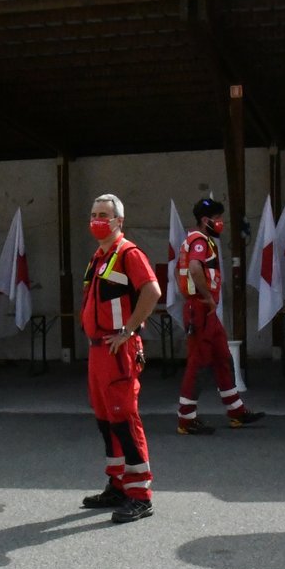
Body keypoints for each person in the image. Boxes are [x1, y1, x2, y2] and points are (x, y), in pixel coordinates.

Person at [78, 193, 162, 524]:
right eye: (94, 213)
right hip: (99, 350)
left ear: (118, 222)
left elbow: (152, 291)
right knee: (106, 421)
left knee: (124, 420)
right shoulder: (100, 257)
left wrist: (127, 331)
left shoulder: (129, 253)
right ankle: (118, 484)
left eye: (104, 214)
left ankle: (140, 495)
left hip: (117, 351)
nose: (97, 219)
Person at [175, 196, 264, 435]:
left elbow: (179, 272)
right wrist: (206, 297)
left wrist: (193, 296)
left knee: (222, 357)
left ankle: (236, 411)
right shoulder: (200, 241)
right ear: (206, 221)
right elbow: (194, 268)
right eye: (217, 219)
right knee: (198, 363)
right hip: (202, 309)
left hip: (203, 310)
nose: (220, 222)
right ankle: (186, 418)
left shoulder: (191, 240)